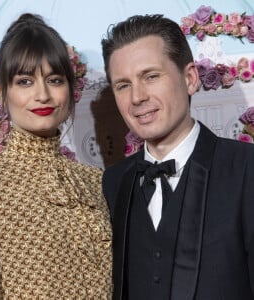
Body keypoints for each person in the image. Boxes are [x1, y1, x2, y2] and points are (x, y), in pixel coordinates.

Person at [0, 13, 112, 299]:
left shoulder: (96, 182)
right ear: (2, 91)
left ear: (69, 89)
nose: (43, 95)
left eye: (54, 80)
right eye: (25, 81)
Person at [101, 14, 254, 300]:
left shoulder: (247, 168)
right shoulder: (112, 183)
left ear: (190, 79)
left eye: (151, 76)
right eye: (123, 85)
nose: (137, 97)